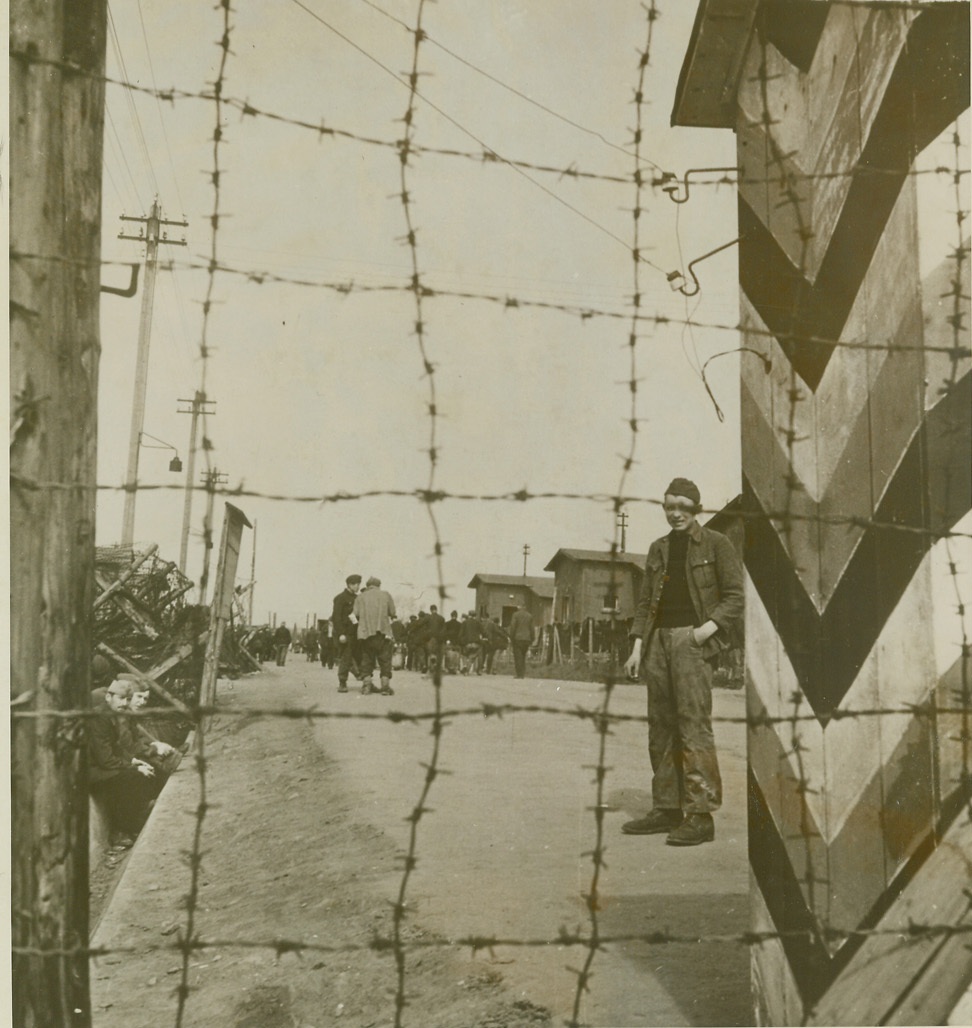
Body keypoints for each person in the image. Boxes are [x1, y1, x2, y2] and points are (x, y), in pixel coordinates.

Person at [622, 477, 744, 847]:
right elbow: (645, 603)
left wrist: (704, 631)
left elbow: (735, 596)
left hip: (692, 640)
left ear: (696, 510)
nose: (675, 514)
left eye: (682, 507)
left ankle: (700, 815)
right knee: (660, 725)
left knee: (693, 726)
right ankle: (668, 808)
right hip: (658, 641)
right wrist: (637, 646)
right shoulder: (658, 549)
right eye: (669, 507)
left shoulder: (716, 544)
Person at [88, 678, 159, 848]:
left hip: (100, 766)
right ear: (108, 697)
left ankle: (136, 820)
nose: (124, 703)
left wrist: (135, 761)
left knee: (140, 770)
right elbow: (106, 759)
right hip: (90, 770)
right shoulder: (100, 717)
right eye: (119, 698)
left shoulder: (112, 715)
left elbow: (116, 750)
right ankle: (119, 832)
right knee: (130, 777)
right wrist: (133, 766)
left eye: (127, 699)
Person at [353, 576, 397, 695]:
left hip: (366, 634)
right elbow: (392, 612)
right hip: (382, 633)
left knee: (366, 660)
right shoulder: (386, 595)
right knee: (385, 660)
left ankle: (367, 687)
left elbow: (355, 614)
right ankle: (385, 687)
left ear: (367, 586)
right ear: (379, 585)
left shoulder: (360, 597)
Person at [332, 574, 362, 693]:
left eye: (359, 584)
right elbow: (337, 617)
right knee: (346, 658)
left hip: (356, 633)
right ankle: (342, 683)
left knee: (357, 656)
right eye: (356, 584)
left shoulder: (357, 598)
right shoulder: (341, 598)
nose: (358, 586)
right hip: (346, 634)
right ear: (350, 584)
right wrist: (341, 634)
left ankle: (359, 674)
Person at [508, 604, 534, 679]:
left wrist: (511, 637)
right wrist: (532, 638)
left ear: (519, 607)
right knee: (523, 656)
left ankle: (519, 674)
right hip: (527, 639)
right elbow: (532, 629)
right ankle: (522, 673)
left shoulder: (515, 615)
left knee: (518, 656)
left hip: (517, 638)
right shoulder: (529, 616)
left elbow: (513, 626)